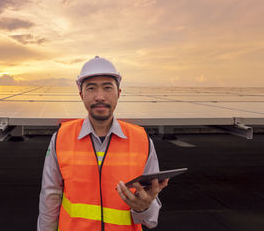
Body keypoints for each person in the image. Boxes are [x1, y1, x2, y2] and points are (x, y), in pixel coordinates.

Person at [37, 56, 169, 231]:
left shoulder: (142, 140)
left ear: (118, 93)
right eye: (91, 88)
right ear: (81, 94)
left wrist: (144, 207)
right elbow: (50, 197)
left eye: (107, 88)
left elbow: (151, 219)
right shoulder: (61, 137)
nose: (100, 96)